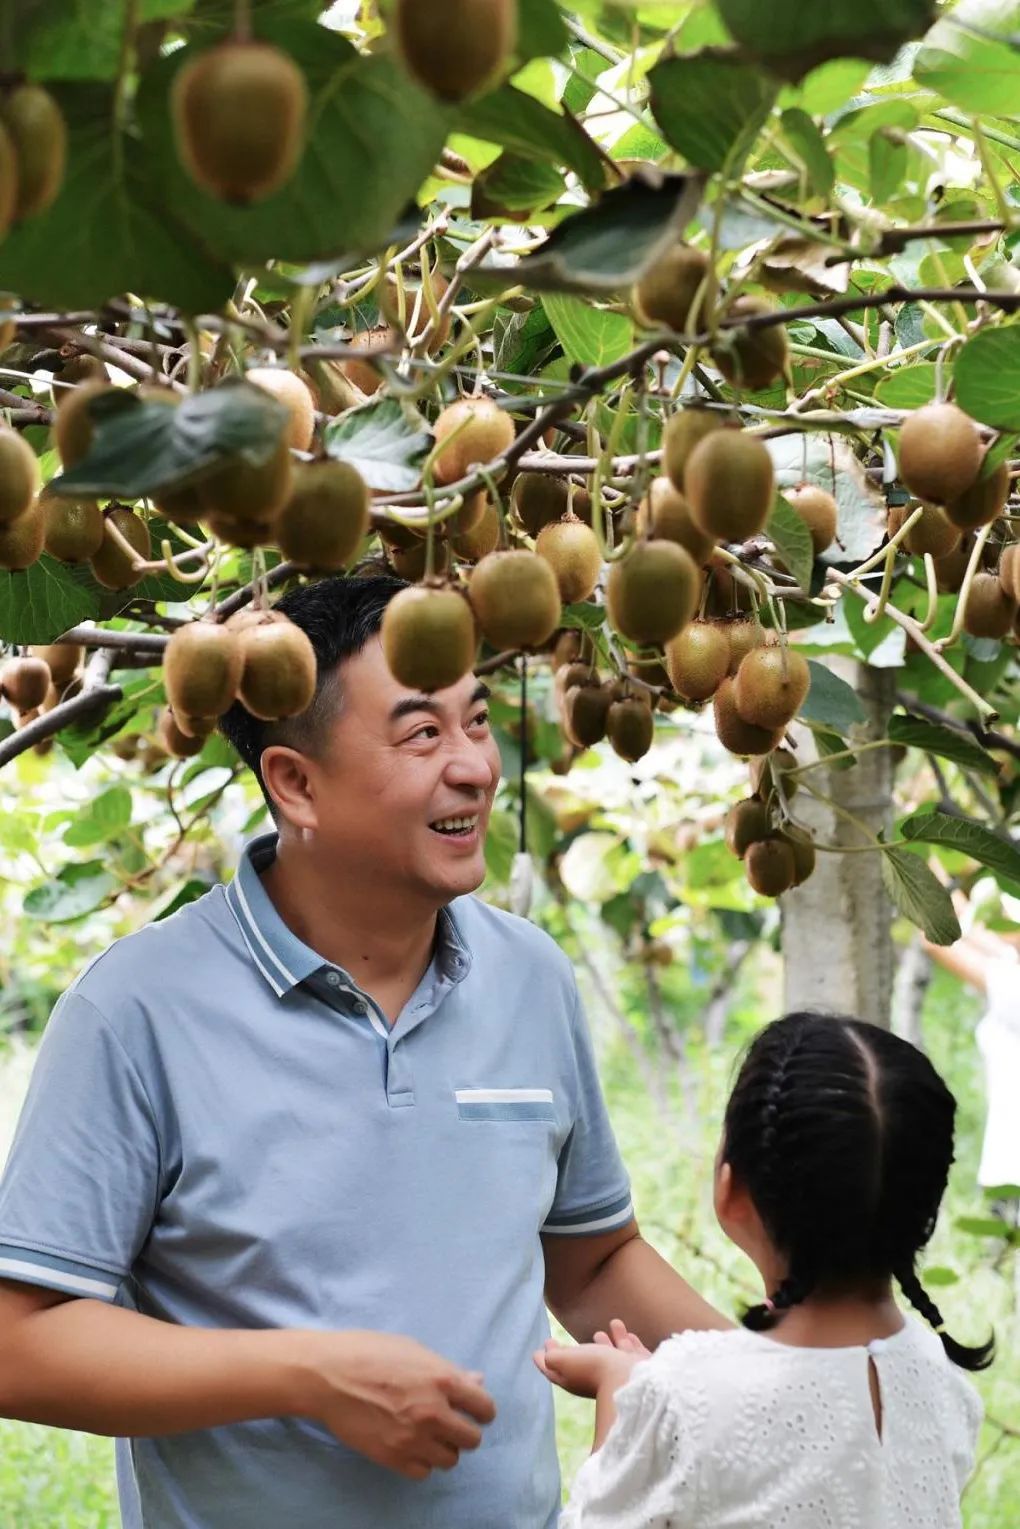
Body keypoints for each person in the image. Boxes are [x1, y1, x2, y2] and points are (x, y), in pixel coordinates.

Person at [0, 574, 727, 1529]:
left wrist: (786, 1379)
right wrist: (309, 1374)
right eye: (423, 734)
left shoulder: (529, 977)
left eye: (475, 721)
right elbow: (20, 1345)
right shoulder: (134, 1011)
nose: (474, 766)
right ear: (295, 783)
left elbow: (589, 1264)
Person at [536, 1011, 991, 1528]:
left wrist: (620, 1394)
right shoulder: (944, 1383)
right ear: (926, 1210)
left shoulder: (684, 1398)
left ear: (732, 1192)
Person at [922, 897, 1020, 1203]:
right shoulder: (1009, 969)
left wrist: (916, 882)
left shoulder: (1011, 988)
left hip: (1011, 1179)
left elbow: (935, 939)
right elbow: (979, 934)